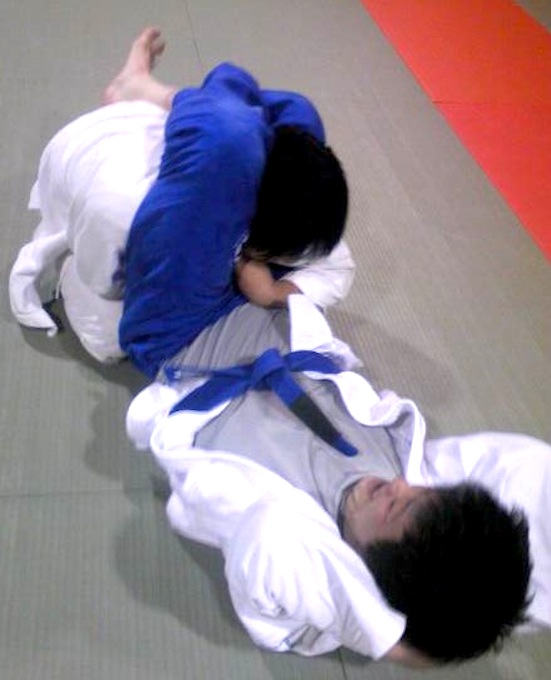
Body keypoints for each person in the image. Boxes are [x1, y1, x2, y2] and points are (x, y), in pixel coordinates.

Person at [9, 27, 550, 668]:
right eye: (416, 493)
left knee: (230, 146)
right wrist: (271, 292)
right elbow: (527, 474)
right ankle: (153, 93)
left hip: (182, 329)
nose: (397, 486)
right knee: (300, 126)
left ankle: (144, 91)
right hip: (268, 302)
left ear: (371, 571)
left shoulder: (291, 530)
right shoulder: (415, 480)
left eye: (395, 509)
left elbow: (298, 579)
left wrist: (402, 644)